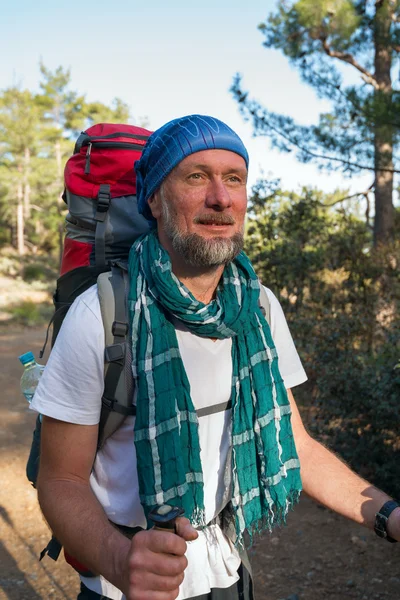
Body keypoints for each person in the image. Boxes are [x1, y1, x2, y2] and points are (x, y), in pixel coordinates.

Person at [31, 115, 400, 600]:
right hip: (126, 582)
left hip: (226, 568)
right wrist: (120, 561)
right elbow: (60, 479)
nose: (221, 198)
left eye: (234, 179)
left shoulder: (258, 307)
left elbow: (297, 445)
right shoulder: (101, 314)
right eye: (196, 176)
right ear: (155, 201)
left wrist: (390, 516)